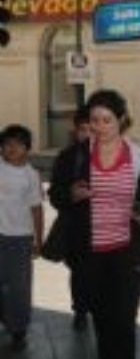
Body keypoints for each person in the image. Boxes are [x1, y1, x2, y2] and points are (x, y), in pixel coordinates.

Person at [47, 89, 140, 359]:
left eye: (107, 120)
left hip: (128, 255)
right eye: (94, 120)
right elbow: (56, 195)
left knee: (124, 321)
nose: (99, 127)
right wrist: (71, 194)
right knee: (102, 322)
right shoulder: (73, 157)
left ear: (121, 120)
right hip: (89, 256)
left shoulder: (139, 159)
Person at [0, 125, 44, 352]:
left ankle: (18, 329)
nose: (11, 148)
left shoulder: (31, 175)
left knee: (19, 287)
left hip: (19, 239)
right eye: (6, 144)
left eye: (17, 144)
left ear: (27, 148)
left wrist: (39, 240)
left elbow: (37, 209)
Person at [48, 106, 92, 331]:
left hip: (108, 230)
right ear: (76, 130)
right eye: (84, 129)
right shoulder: (67, 157)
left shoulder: (119, 155)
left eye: (93, 129)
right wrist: (71, 194)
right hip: (78, 229)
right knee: (81, 273)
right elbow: (55, 195)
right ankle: (81, 310)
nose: (89, 135)